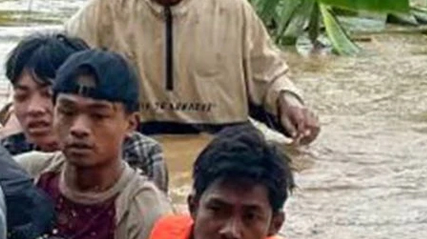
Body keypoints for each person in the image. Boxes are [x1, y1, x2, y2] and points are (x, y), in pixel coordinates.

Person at [64, 0, 321, 144]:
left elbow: (269, 75)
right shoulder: (102, 12)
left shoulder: (234, 9)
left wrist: (289, 102)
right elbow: (55, 73)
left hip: (226, 150)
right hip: (136, 147)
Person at [129, 124, 324, 239]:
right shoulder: (164, 237)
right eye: (217, 210)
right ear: (193, 207)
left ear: (275, 225)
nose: (230, 231)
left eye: (250, 216)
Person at [14, 50, 172, 239]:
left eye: (98, 115)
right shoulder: (26, 175)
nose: (79, 128)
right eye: (67, 112)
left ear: (131, 124)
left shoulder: (144, 214)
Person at [0, 32, 169, 193]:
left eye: (48, 94)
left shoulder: (141, 155)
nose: (34, 109)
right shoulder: (6, 155)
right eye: (21, 96)